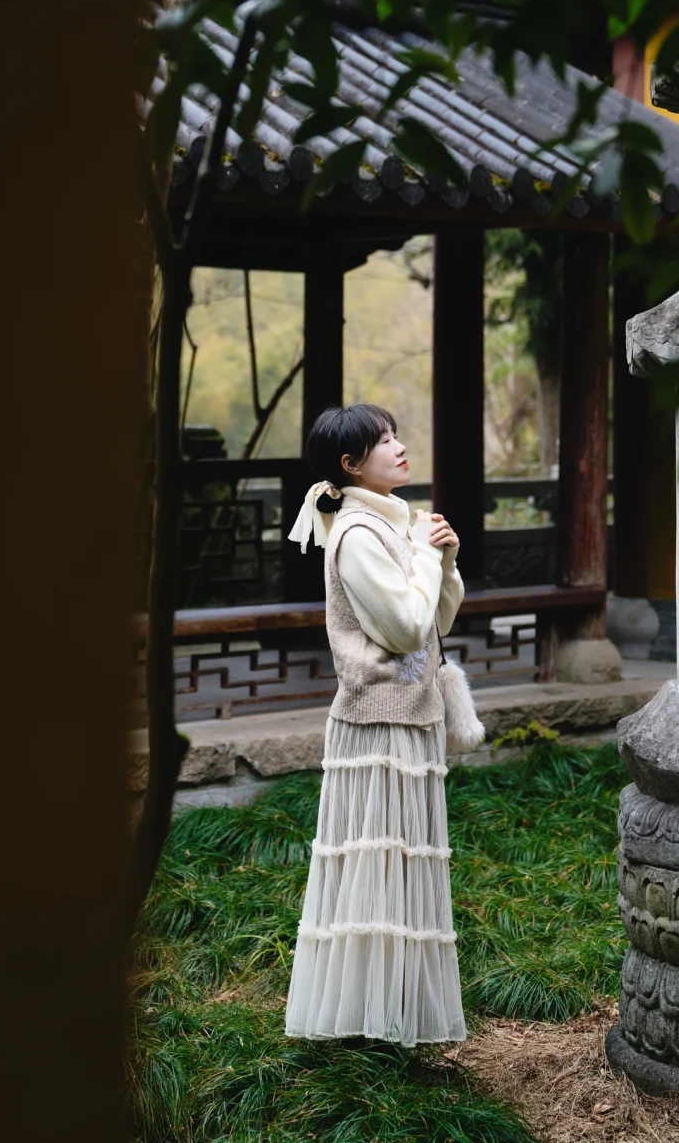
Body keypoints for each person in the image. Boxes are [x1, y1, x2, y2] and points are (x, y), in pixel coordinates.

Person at [283, 403, 468, 1046]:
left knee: (404, 866)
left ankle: (392, 1010)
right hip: (375, 726)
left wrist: (441, 556)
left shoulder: (393, 526)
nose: (399, 447)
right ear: (350, 464)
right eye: (383, 441)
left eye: (395, 435)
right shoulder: (359, 534)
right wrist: (421, 548)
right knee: (375, 865)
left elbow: (438, 620)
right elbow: (404, 628)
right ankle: (362, 1017)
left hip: (411, 717)